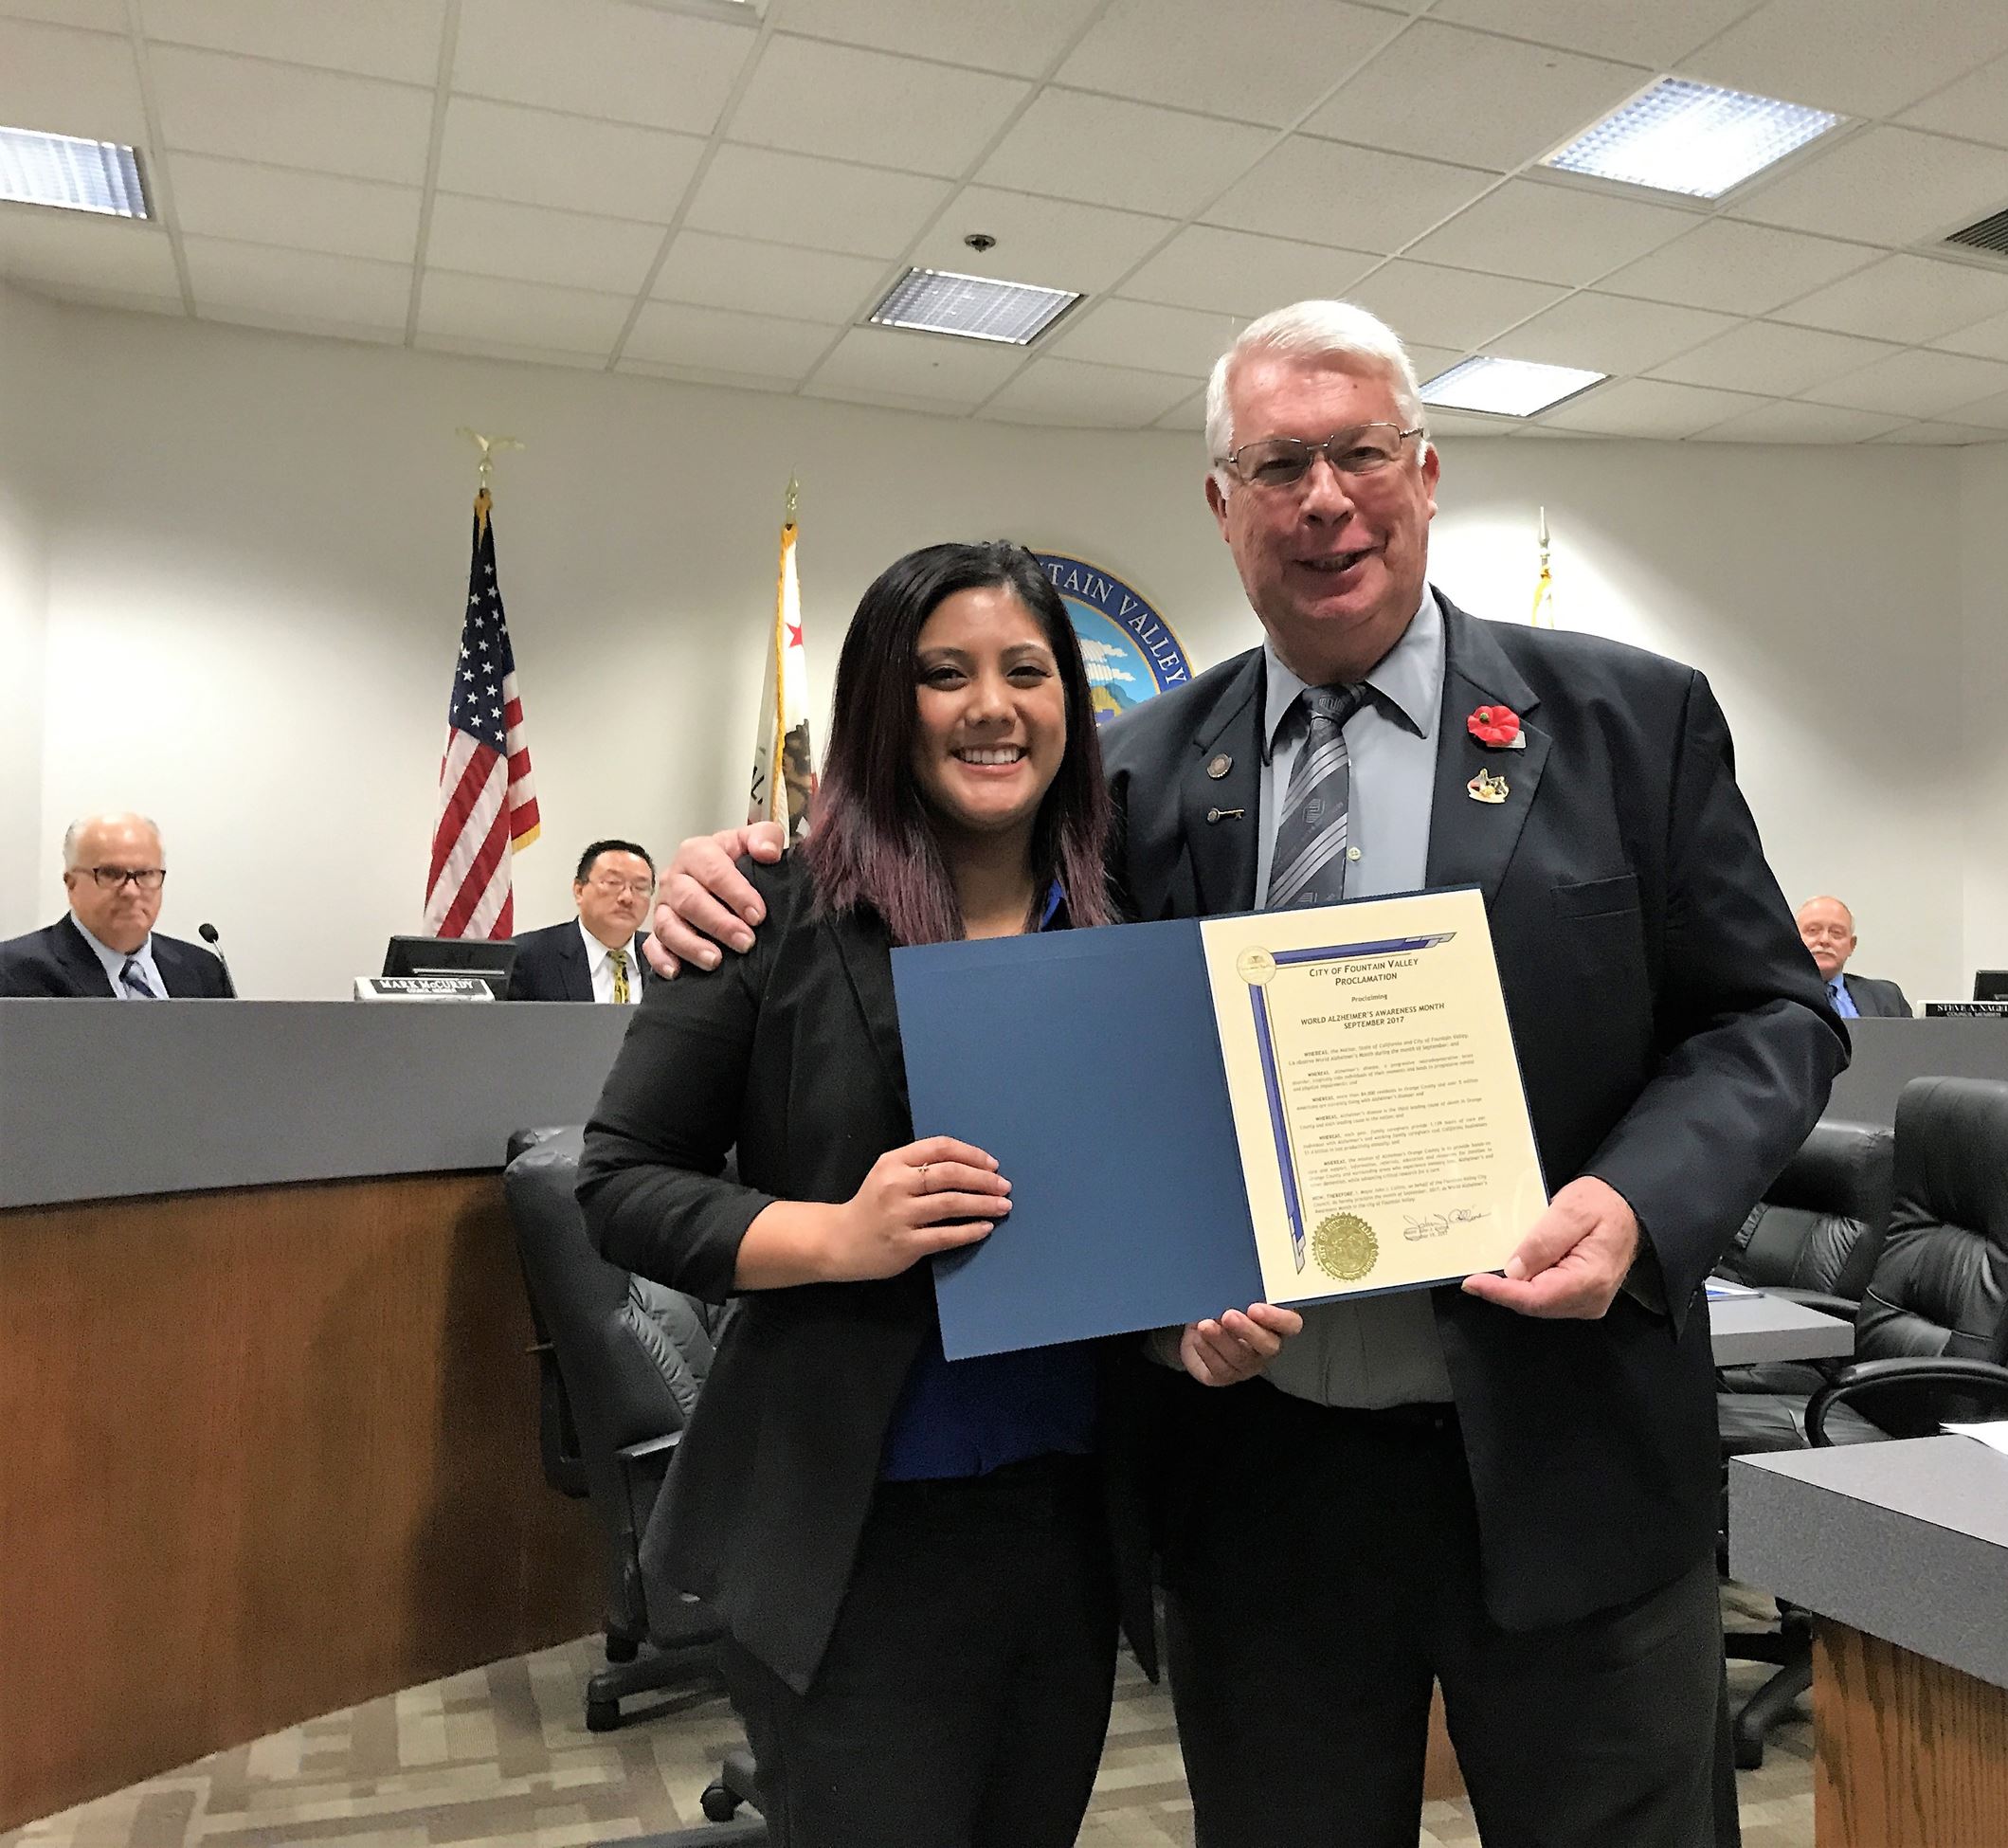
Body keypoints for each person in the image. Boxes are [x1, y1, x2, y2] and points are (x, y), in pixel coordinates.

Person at [645, 303, 1845, 1848]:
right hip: (1259, 1487)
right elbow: (953, 891)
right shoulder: (1135, 774)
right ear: (1223, 507)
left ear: (1425, 474)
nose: (1324, 497)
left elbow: (1771, 1016)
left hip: (1567, 1460)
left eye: (1358, 455)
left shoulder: (1631, 721)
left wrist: (1633, 1201)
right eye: (1279, 464)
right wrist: (739, 866)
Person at [575, 541, 1293, 1848]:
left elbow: (1119, 1219)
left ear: (1072, 708)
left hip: (1067, 1527)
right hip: (854, 1536)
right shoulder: (767, 911)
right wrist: (834, 1235)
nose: (990, 704)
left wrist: (1180, 1327)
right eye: (943, 673)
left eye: (1026, 671)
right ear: (880, 707)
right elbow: (619, 1184)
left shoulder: (1120, 934)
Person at [0, 813, 233, 999]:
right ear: (71, 884)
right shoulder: (13, 971)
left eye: (146, 873)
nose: (131, 891)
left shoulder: (204, 969)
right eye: (111, 874)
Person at [508, 839, 655, 1002]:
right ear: (579, 891)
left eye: (641, 888)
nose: (627, 898)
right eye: (613, 883)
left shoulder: (667, 958)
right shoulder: (527, 957)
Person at [1795, 895, 1910, 1019]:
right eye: (1813, 930)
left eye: (1836, 933)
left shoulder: (1887, 997)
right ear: (1794, 938)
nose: (1825, 940)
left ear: (1851, 945)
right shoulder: (1774, 994)